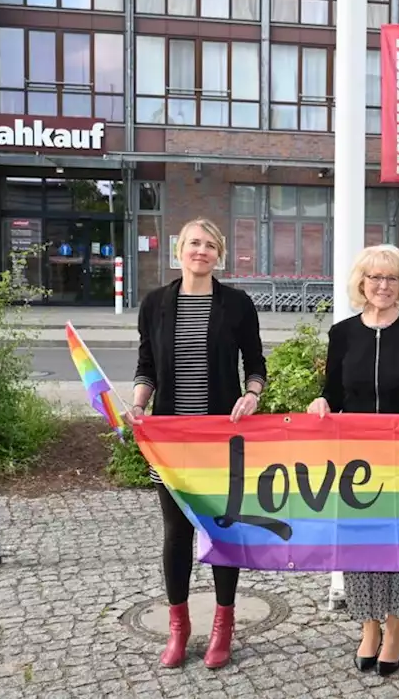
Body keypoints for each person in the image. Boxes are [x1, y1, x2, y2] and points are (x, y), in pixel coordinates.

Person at [125, 218, 267, 670]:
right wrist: (139, 405)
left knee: (222, 530)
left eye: (209, 245)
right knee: (176, 533)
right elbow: (146, 364)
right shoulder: (155, 304)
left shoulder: (237, 304)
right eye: (193, 244)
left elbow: (256, 362)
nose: (200, 251)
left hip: (220, 437)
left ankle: (223, 626)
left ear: (219, 254)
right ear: (178, 250)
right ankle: (179, 629)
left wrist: (252, 394)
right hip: (169, 439)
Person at [305, 243, 399, 678]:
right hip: (356, 459)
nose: (382, 285)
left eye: (391, 278)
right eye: (374, 277)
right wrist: (320, 402)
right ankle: (368, 626)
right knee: (362, 541)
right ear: (362, 283)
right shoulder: (343, 333)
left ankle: (396, 628)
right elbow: (334, 391)